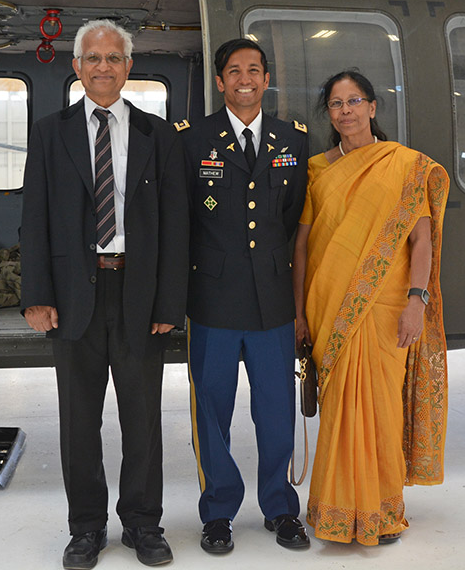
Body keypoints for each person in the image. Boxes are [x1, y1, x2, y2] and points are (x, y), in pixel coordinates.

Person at [20, 20, 189, 570]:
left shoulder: (158, 136)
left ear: (128, 67)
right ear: (77, 67)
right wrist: (37, 295)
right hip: (73, 296)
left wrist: (169, 304)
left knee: (142, 419)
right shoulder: (50, 133)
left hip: (138, 293)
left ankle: (143, 524)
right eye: (92, 58)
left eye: (114, 58)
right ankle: (86, 528)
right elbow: (34, 220)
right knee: (78, 420)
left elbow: (174, 226)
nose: (103, 67)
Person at [292, 69, 449, 546]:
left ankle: (382, 512)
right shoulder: (317, 170)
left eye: (354, 100)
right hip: (329, 305)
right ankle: (337, 512)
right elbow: (302, 246)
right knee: (340, 410)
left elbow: (421, 239)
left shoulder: (403, 165)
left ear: (373, 107)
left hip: (386, 307)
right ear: (330, 114)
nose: (346, 111)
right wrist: (299, 314)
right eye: (336, 104)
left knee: (380, 409)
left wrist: (416, 302)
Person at [180, 38, 310, 554]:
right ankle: (217, 513)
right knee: (211, 411)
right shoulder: (191, 139)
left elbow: (293, 221)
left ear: (266, 78)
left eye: (254, 70)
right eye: (234, 71)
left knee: (276, 410)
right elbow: (183, 221)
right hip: (212, 301)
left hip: (272, 301)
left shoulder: (292, 140)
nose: (245, 79)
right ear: (220, 82)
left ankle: (279, 509)